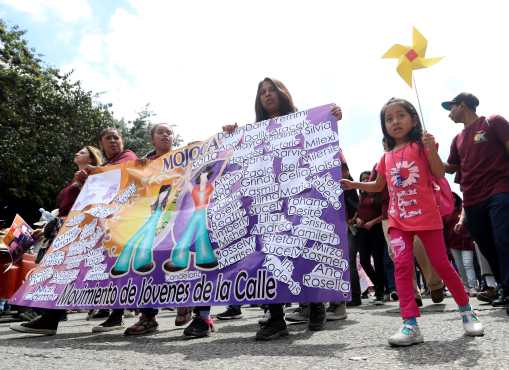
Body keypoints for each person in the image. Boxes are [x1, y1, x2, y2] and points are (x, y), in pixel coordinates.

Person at [341, 97, 484, 346]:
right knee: (402, 266)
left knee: (441, 264)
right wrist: (355, 185)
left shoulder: (423, 145)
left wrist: (431, 150)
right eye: (389, 118)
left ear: (414, 119)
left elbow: (439, 174)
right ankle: (410, 323)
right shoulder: (385, 157)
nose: (395, 121)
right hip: (398, 221)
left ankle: (466, 310)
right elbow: (378, 185)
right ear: (384, 125)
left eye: (401, 116)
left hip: (428, 217)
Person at [232, 77, 343, 340]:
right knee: (268, 254)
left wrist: (332, 116)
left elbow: (320, 147)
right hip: (267, 200)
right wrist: (231, 133)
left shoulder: (304, 120)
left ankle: (315, 304)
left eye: (272, 90)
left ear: (283, 93)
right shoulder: (255, 131)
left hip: (299, 196)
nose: (268, 95)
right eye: (263, 93)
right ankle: (276, 317)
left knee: (303, 249)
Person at [10, 146, 104, 335]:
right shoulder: (77, 176)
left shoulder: (93, 176)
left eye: (82, 152)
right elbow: (63, 210)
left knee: (61, 273)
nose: (77, 153)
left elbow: (93, 201)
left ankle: (50, 318)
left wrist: (83, 183)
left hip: (78, 230)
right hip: (64, 229)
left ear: (92, 158)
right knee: (61, 274)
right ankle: (50, 317)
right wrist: (45, 229)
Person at [122, 123, 192, 335]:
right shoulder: (142, 164)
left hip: (177, 218)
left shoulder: (185, 159)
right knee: (147, 267)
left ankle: (185, 301)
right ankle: (148, 317)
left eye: (169, 132)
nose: (165, 135)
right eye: (160, 132)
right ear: (152, 139)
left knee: (178, 261)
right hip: (148, 220)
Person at [442, 92, 509, 308]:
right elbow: (450, 168)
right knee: (487, 246)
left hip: (500, 190)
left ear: (462, 105)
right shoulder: (457, 140)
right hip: (471, 199)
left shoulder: (493, 122)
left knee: (503, 239)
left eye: (451, 108)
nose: (449, 113)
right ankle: (504, 288)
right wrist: (428, 153)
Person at [354, 170, 386, 305]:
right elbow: (356, 213)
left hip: (376, 230)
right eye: (363, 179)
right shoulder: (359, 197)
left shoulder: (378, 195)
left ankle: (380, 292)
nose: (366, 181)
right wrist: (358, 220)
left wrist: (371, 222)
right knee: (364, 261)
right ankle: (380, 284)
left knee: (378, 261)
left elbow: (384, 213)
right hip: (362, 231)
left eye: (368, 178)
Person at [443, 193, 478, 296]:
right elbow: (444, 230)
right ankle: (466, 287)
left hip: (466, 241)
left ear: (457, 199)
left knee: (468, 264)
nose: (452, 200)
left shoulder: (463, 209)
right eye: (450, 198)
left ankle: (473, 287)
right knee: (459, 266)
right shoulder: (445, 213)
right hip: (453, 243)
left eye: (453, 198)